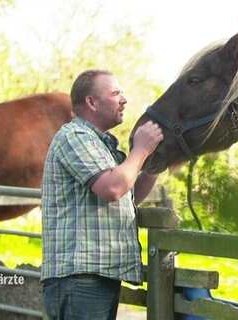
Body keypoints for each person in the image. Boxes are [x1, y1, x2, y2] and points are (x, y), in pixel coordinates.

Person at [40, 69, 163, 319]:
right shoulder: (74, 136)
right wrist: (140, 149)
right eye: (116, 93)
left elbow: (127, 195)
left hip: (96, 276)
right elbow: (113, 188)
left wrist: (154, 162)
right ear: (91, 102)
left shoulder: (102, 143)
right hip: (79, 279)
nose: (124, 99)